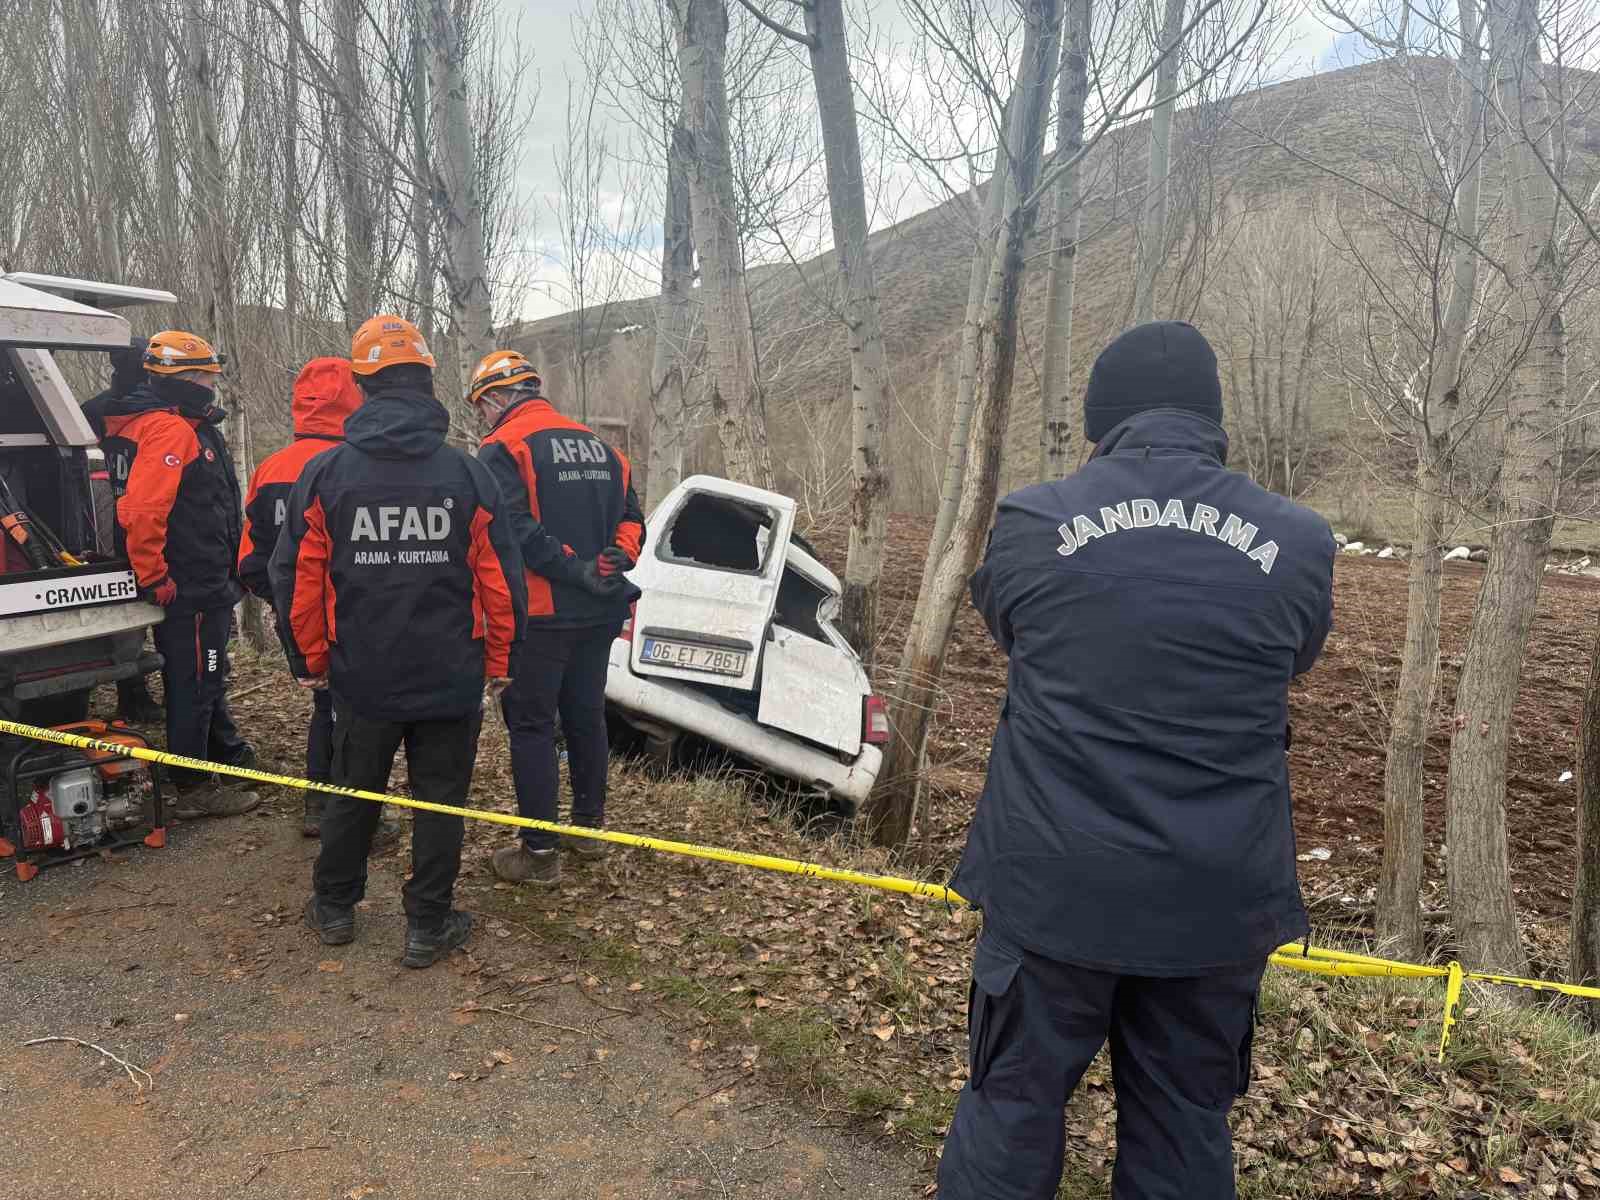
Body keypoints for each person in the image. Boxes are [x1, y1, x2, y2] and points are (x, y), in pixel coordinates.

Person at [937, 321, 1336, 1200]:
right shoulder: (1302, 541)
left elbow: (1014, 632)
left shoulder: (1032, 521)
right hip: (1214, 897)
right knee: (1183, 1126)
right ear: (1214, 416)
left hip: (1053, 887)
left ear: (1101, 418)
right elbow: (1293, 655)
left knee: (1010, 1106)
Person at [270, 316, 525, 969]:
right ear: (428, 382)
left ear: (362, 386)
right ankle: (427, 925)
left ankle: (334, 908)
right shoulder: (466, 476)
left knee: (354, 793)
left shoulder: (327, 474)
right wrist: (498, 664)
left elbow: (296, 576)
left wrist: (311, 662)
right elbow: (502, 580)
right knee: (440, 803)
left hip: (363, 675)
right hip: (450, 676)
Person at [466, 350, 643, 889]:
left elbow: (513, 530)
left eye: (482, 407)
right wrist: (616, 559)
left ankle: (539, 851)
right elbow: (633, 520)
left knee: (532, 725)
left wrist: (574, 568)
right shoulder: (605, 449)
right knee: (586, 714)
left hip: (541, 614)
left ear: (496, 398)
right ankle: (588, 829)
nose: (482, 419)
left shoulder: (502, 448)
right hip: (600, 611)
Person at [93, 331, 260, 819]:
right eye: (207, 376)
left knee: (206, 672)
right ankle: (191, 784)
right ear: (187, 378)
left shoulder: (145, 421)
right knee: (196, 677)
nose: (212, 384)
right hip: (188, 580)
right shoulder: (168, 430)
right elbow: (143, 510)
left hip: (198, 575)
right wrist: (155, 574)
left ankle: (224, 749)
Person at [238, 357, 362, 838]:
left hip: (296, 611)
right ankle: (348, 808)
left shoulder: (271, 467)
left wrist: (285, 603)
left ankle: (320, 804)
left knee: (325, 709)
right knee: (357, 715)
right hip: (359, 613)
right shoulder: (360, 466)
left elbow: (251, 560)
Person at [83, 337, 162, 724]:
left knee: (125, 612)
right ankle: (135, 692)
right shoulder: (155, 413)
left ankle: (133, 691)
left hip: (107, 521)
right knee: (136, 611)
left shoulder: (96, 408)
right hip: (139, 523)